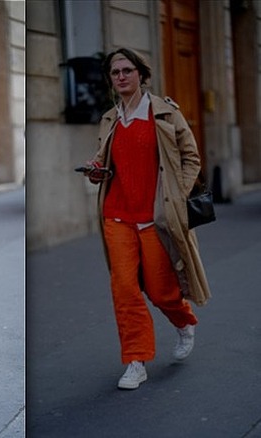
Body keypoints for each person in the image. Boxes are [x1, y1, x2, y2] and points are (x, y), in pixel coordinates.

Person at [81, 47, 211, 390]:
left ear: (141, 74)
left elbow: (191, 158)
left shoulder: (166, 113)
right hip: (117, 215)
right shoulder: (110, 118)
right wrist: (96, 171)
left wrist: (177, 195)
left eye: (127, 70)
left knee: (161, 291)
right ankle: (136, 361)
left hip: (156, 216)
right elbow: (105, 161)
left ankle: (183, 322)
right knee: (124, 289)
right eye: (115, 72)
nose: (121, 76)